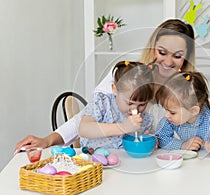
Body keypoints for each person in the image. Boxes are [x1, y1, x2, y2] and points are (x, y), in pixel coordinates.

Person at [14, 18, 196, 153]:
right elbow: (84, 118)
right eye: (162, 52)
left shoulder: (186, 87)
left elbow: (190, 127)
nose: (168, 61)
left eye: (178, 56)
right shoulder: (126, 76)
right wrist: (48, 140)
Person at [78, 61, 155, 149]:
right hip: (92, 158)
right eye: (129, 103)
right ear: (114, 89)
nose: (135, 110)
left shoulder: (145, 119)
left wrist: (150, 142)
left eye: (142, 104)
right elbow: (83, 129)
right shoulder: (103, 102)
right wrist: (123, 127)